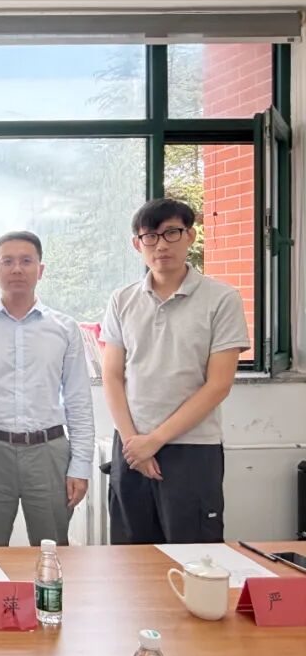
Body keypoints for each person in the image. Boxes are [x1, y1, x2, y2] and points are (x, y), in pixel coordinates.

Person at [102, 198, 249, 544]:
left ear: (190, 236)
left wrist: (154, 441)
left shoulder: (222, 299)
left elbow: (218, 385)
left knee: (194, 553)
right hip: (130, 447)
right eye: (150, 237)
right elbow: (112, 376)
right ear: (137, 244)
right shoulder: (122, 300)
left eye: (171, 233)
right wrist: (133, 444)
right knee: (130, 555)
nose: (161, 245)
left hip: (192, 448)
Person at [0, 232, 94, 547]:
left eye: (26, 261)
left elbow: (78, 400)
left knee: (52, 550)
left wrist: (81, 465)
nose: (17, 269)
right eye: (7, 261)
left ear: (40, 270)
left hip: (48, 452)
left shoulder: (65, 328)